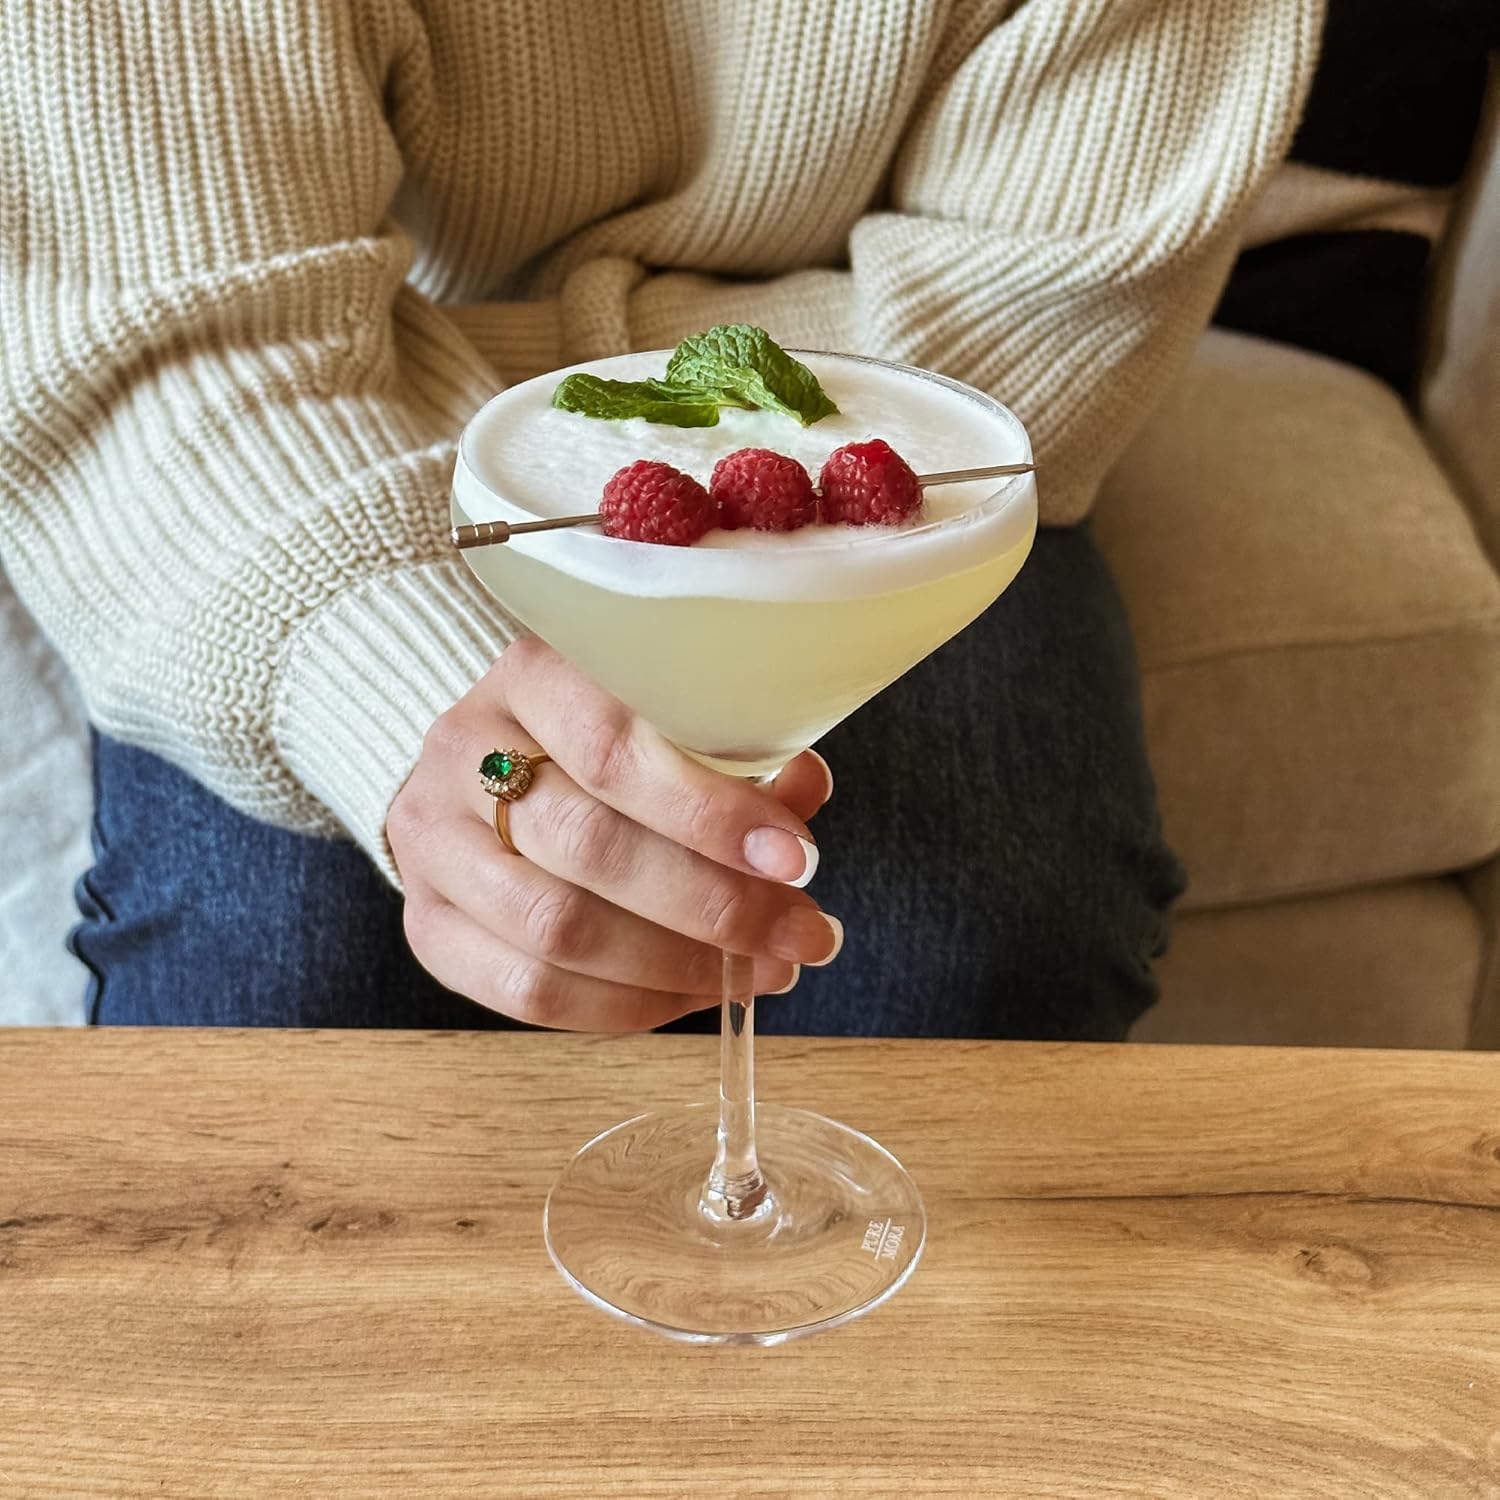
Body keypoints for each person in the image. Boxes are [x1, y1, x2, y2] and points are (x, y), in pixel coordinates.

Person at [1, 1, 1319, 1036]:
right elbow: (170, 333)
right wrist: (406, 696)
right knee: (272, 980)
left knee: (981, 946)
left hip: (883, 470)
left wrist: (547, 419)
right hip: (317, 443)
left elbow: (1040, 314)